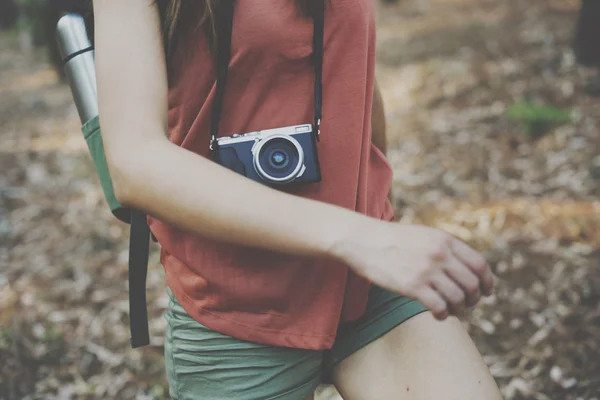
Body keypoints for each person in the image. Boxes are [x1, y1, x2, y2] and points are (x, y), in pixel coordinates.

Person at [92, 1, 503, 399]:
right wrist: (358, 236)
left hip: (365, 281)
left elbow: (354, 64)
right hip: (237, 306)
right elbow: (134, 161)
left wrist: (379, 216)